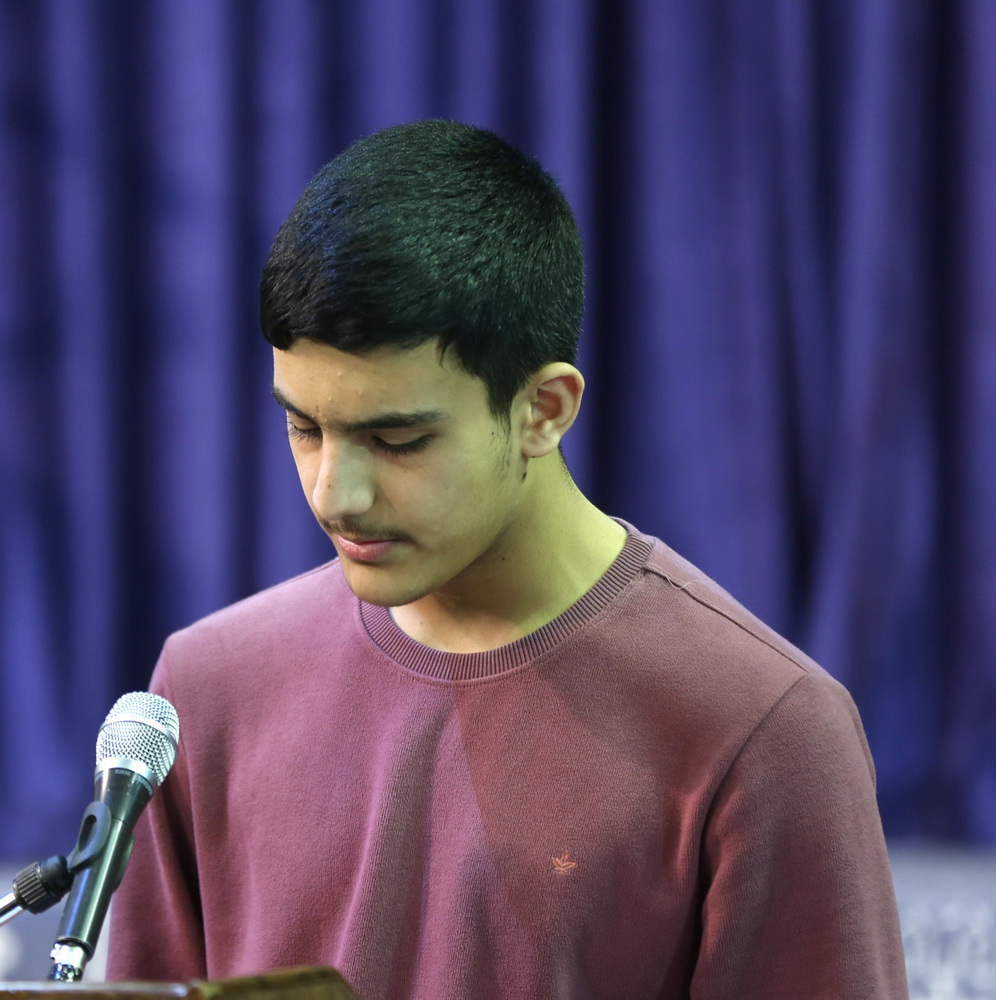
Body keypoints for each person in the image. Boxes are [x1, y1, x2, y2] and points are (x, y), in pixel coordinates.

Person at [105, 120, 907, 999]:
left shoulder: (764, 732)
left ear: (544, 409)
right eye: (304, 427)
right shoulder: (205, 692)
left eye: (397, 440)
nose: (336, 493)